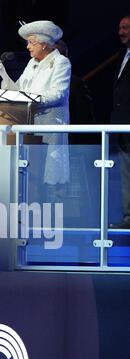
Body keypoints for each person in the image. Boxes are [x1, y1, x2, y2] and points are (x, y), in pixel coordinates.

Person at [0, 20, 71, 199]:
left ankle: (52, 215)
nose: (28, 46)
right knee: (32, 177)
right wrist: (3, 74)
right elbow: (18, 92)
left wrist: (32, 99)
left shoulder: (61, 62)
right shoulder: (31, 64)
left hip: (50, 127)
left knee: (51, 178)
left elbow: (58, 94)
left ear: (44, 44)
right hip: (29, 128)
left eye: (31, 42)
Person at [111, 14, 130, 229]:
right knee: (125, 172)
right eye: (120, 27)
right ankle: (128, 217)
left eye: (126, 28)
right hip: (122, 124)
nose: (121, 32)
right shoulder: (121, 54)